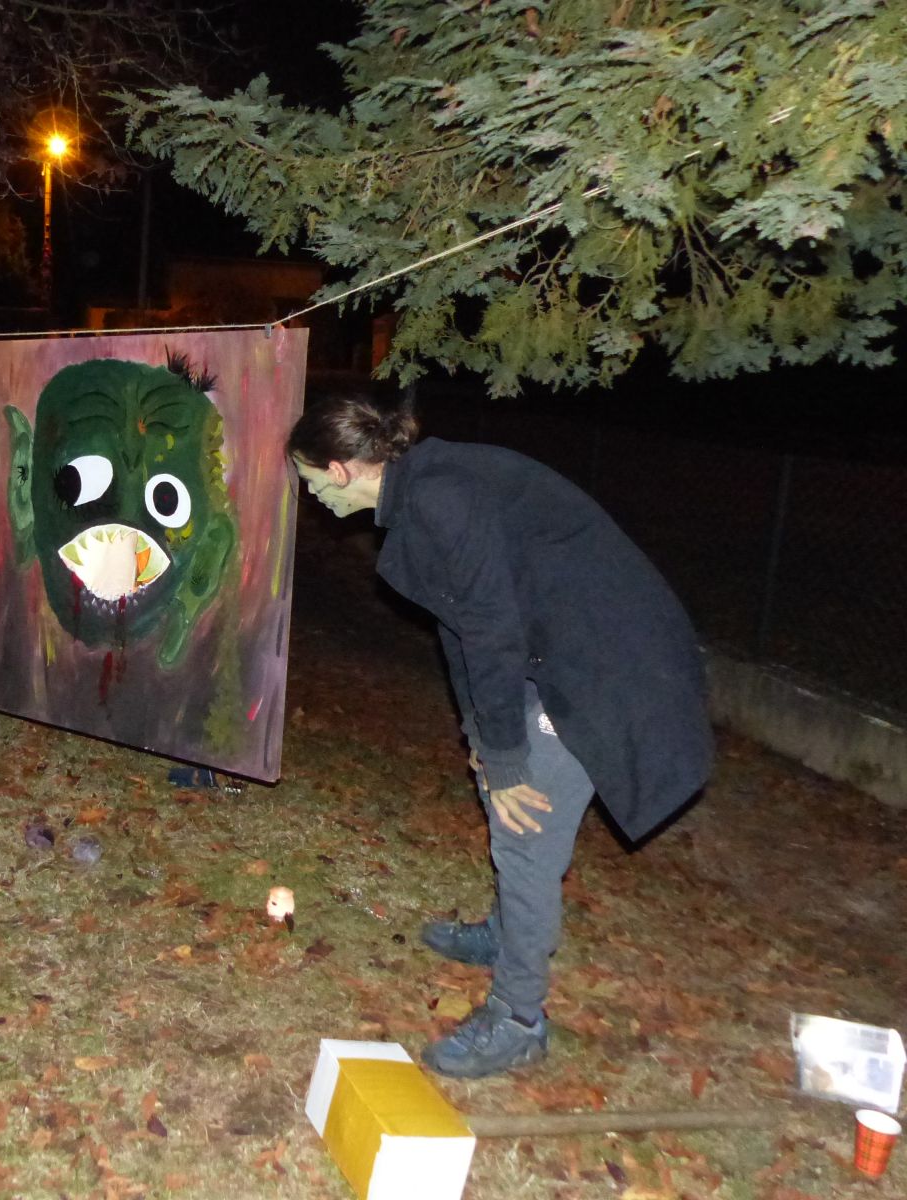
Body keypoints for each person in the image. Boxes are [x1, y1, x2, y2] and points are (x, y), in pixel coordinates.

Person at [288, 395, 712, 1079]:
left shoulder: (441, 498)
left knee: (524, 829)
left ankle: (519, 1017)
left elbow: (491, 630)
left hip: (606, 667)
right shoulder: (422, 491)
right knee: (503, 789)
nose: (309, 495)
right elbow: (460, 627)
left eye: (309, 480)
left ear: (339, 470)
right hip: (555, 649)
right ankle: (507, 932)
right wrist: (481, 737)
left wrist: (510, 760)